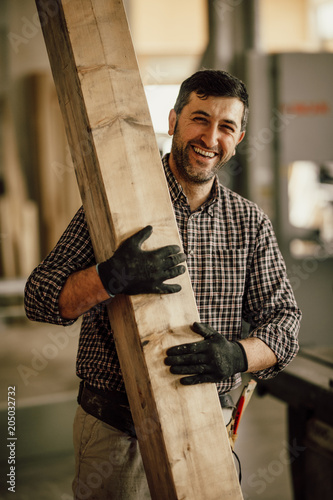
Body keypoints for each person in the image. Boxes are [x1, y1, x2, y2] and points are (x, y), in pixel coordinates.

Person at [24, 69, 301, 499]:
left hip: (209, 429)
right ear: (172, 121)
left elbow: (285, 324)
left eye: (226, 126)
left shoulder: (249, 223)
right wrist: (108, 277)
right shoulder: (118, 206)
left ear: (239, 138)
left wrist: (236, 355)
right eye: (199, 118)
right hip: (117, 435)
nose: (210, 137)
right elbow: (39, 298)